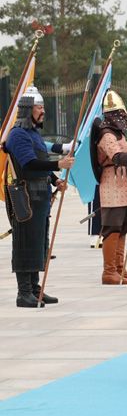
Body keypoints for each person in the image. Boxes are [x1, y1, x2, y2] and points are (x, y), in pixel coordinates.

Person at [2, 86, 74, 307]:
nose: (43, 111)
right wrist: (58, 164)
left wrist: (54, 179)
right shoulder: (18, 135)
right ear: (27, 110)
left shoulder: (33, 134)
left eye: (43, 107)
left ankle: (34, 289)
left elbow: (40, 164)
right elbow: (29, 164)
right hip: (26, 196)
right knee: (25, 242)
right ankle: (23, 293)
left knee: (38, 242)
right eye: (38, 107)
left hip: (40, 196)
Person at [90, 90, 127, 284]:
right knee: (112, 227)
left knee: (122, 227)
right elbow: (117, 157)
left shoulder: (118, 133)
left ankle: (120, 268)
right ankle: (109, 271)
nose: (123, 118)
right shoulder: (106, 134)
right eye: (119, 114)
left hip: (125, 187)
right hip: (112, 186)